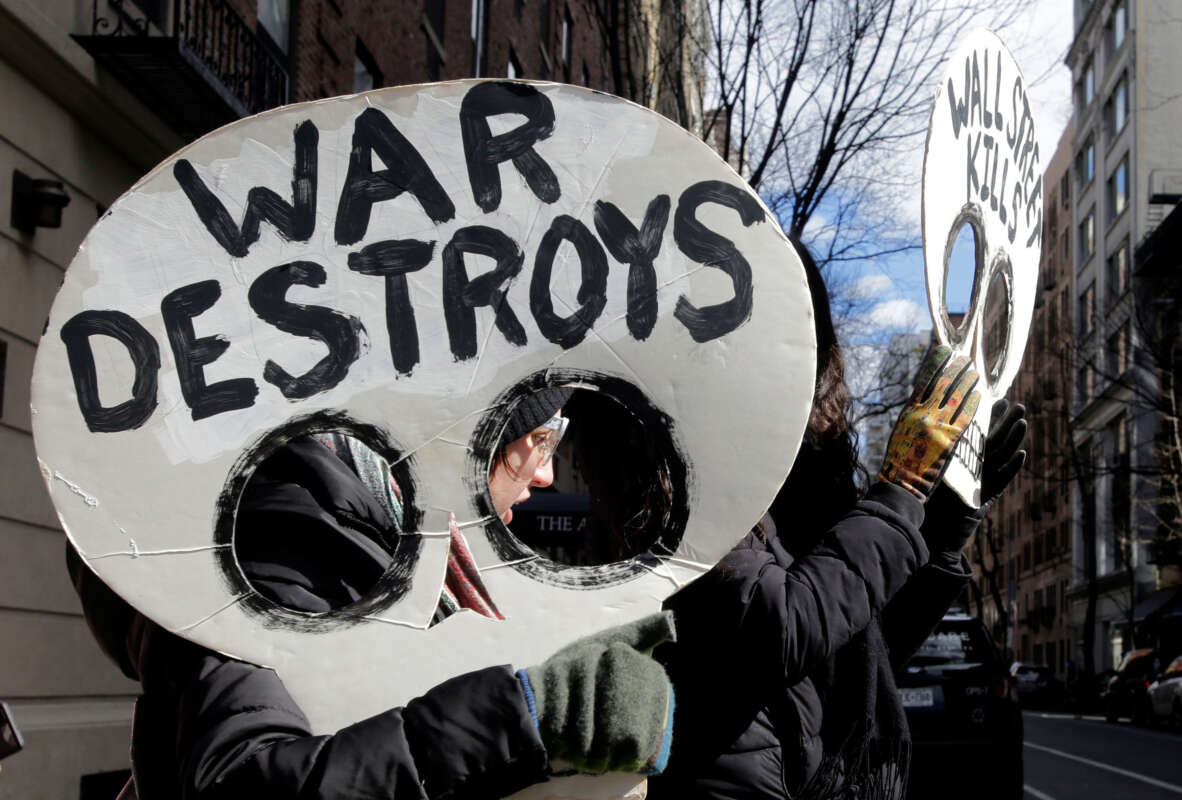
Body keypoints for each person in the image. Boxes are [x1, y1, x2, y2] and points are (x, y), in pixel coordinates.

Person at [66, 388, 676, 800]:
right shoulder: (270, 551)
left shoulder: (393, 549)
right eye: (540, 439)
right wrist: (525, 716)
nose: (545, 472)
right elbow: (238, 781)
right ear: (467, 438)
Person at [649, 243, 1027, 799]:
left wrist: (942, 532)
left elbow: (854, 646)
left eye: (797, 326)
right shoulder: (677, 468)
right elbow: (779, 630)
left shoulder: (805, 472)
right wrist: (902, 490)